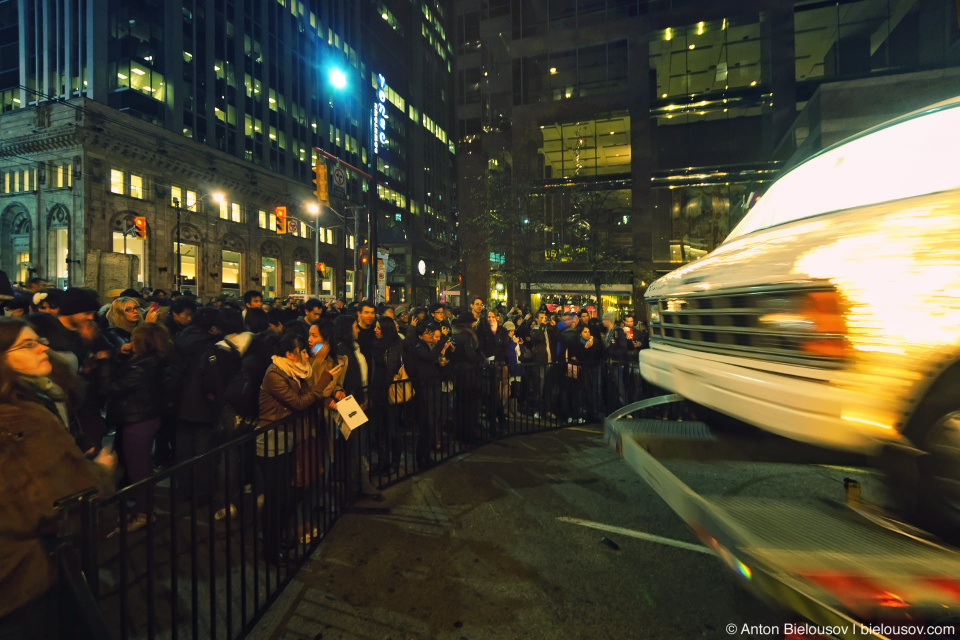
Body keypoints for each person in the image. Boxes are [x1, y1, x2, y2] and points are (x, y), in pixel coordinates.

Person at [0, 318, 116, 639]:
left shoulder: (40, 395)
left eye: (39, 340)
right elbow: (59, 500)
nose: (44, 347)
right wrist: (101, 473)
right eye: (28, 345)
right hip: (22, 577)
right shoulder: (23, 417)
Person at [256, 333, 338, 563]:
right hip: (272, 441)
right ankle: (270, 549)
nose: (306, 354)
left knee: (288, 493)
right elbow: (299, 402)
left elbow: (304, 396)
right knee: (277, 496)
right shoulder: (275, 373)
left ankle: (276, 537)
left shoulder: (297, 371)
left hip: (289, 438)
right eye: (302, 351)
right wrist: (323, 383)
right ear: (290, 354)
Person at [100, 323, 171, 529]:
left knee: (138, 468)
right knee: (141, 465)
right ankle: (143, 507)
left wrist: (105, 363)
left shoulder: (143, 366)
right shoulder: (151, 360)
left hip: (138, 421)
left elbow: (112, 388)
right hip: (144, 418)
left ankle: (144, 512)